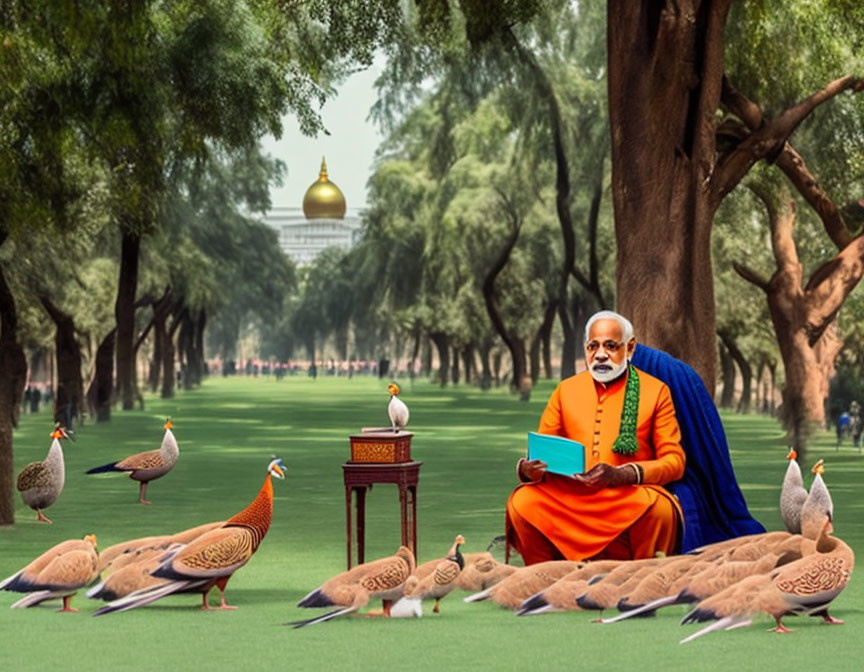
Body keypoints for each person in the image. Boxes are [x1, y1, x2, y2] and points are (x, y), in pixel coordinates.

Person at [506, 311, 686, 565]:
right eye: (594, 346)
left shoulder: (656, 391)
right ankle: (546, 575)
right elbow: (545, 450)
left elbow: (674, 461)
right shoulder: (565, 390)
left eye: (610, 346)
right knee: (523, 502)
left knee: (661, 511)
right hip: (571, 498)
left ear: (630, 347)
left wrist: (623, 474)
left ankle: (639, 578)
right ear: (586, 349)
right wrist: (528, 469)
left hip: (625, 496)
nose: (601, 354)